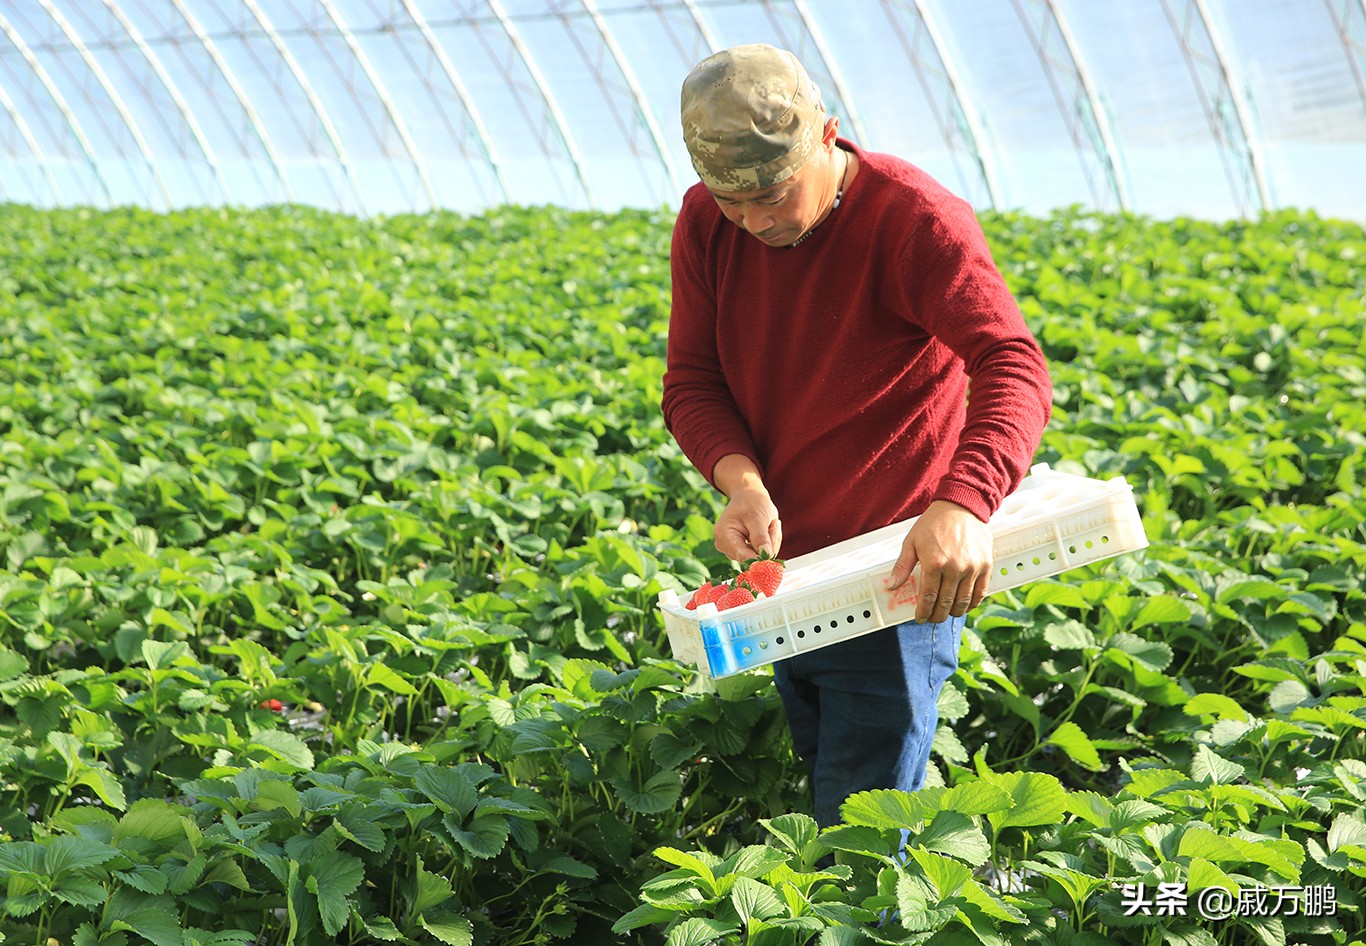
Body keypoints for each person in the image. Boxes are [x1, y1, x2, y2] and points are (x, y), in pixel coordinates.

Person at [661, 43, 1053, 828]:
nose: (755, 221)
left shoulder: (914, 220)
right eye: (733, 201)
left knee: (860, 825)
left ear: (828, 134)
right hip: (790, 576)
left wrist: (963, 505)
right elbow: (693, 380)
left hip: (899, 575)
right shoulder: (706, 222)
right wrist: (740, 480)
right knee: (827, 784)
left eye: (772, 193)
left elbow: (1013, 364)